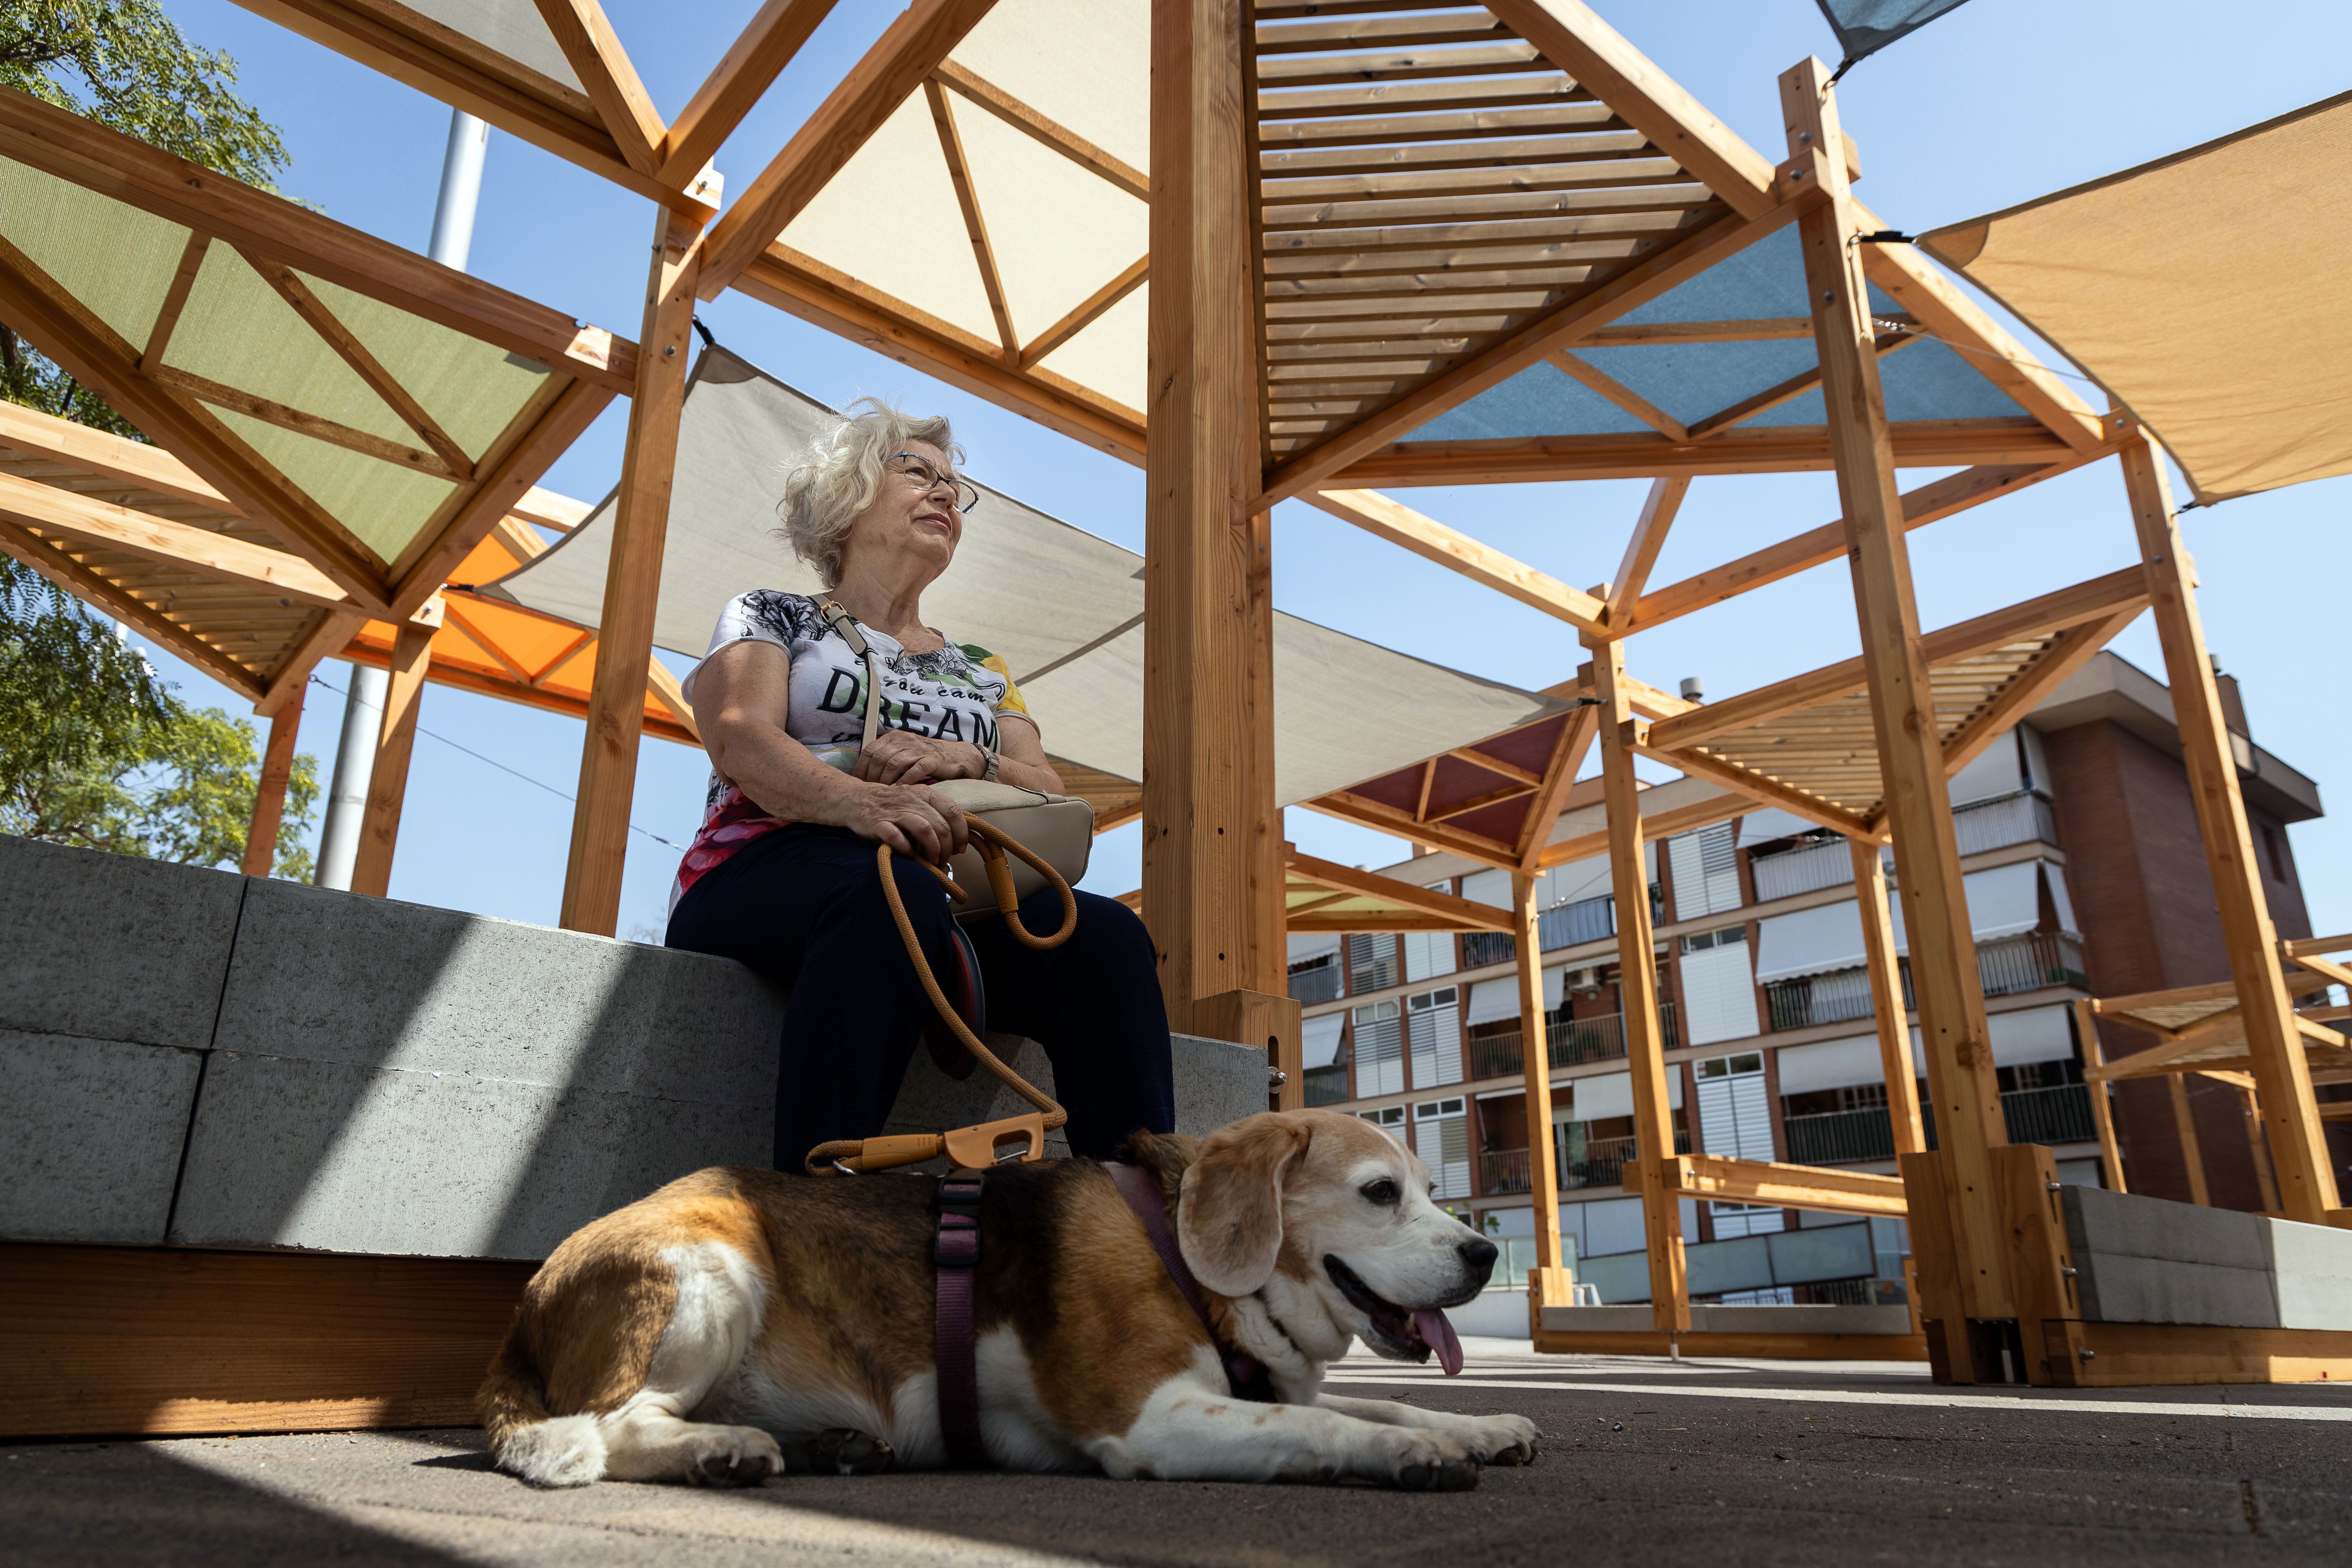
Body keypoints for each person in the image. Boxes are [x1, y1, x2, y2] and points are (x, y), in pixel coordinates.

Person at [665, 400, 1175, 1171]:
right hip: (772, 869)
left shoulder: (981, 666)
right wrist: (865, 803)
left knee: (1105, 937)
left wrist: (969, 761)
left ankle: (1142, 1210)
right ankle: (819, 1210)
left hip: (955, 894)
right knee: (888, 890)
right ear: (848, 491)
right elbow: (739, 734)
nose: (947, 495)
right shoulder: (770, 613)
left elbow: (1044, 782)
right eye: (919, 473)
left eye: (955, 488)